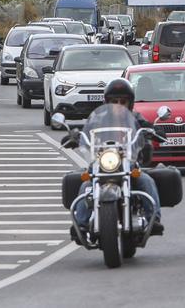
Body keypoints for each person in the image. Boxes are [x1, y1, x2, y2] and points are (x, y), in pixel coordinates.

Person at [69, 78, 164, 241]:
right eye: (114, 101)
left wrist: (154, 130)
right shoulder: (98, 119)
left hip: (128, 161)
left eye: (123, 101)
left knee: (146, 181)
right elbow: (86, 132)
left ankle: (153, 219)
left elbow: (146, 126)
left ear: (130, 103)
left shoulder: (135, 118)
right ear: (107, 102)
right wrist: (75, 136)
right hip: (102, 162)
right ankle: (81, 223)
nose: (119, 105)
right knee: (86, 184)